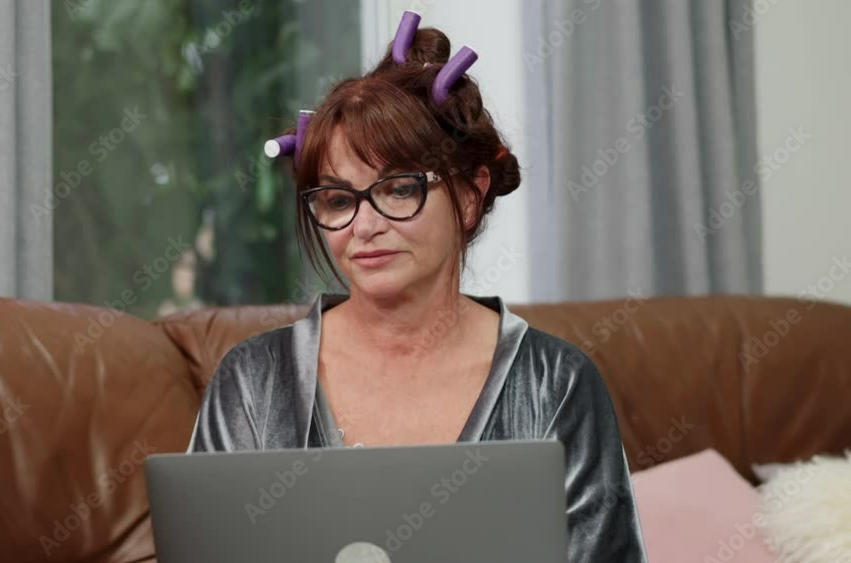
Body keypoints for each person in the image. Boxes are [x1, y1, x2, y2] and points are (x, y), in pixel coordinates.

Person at [189, 12, 649, 563]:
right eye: (337, 200)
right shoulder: (253, 383)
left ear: (470, 197)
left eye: (399, 189)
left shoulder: (555, 384)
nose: (364, 226)